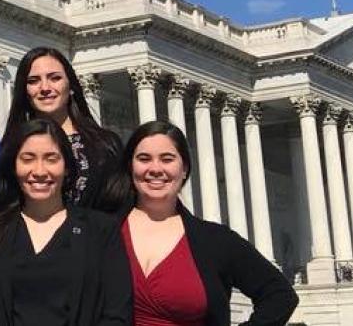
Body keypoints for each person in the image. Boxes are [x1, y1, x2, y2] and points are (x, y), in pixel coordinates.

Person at [115, 121, 298, 326]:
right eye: (144, 159)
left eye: (167, 159)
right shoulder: (102, 231)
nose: (155, 168)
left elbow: (280, 295)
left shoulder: (215, 241)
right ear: (130, 166)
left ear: (184, 169)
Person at [0, 118, 130, 326]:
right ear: (14, 166)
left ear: (67, 167)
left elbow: (116, 314)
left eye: (51, 159)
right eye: (28, 159)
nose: (39, 171)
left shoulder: (101, 230)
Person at [3, 47, 122, 211]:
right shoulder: (12, 146)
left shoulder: (106, 145)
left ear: (71, 86)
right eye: (34, 81)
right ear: (24, 91)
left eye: (55, 78)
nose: (45, 88)